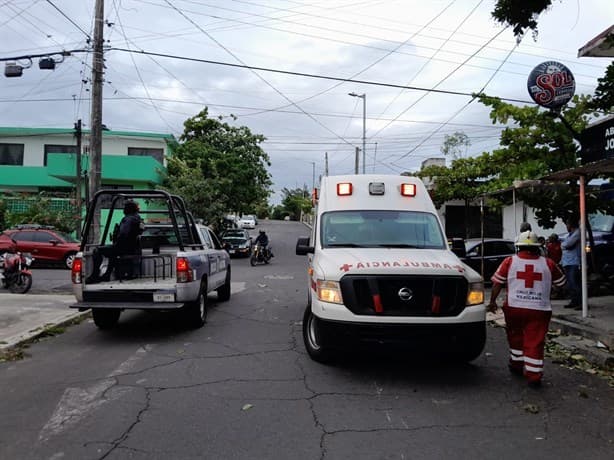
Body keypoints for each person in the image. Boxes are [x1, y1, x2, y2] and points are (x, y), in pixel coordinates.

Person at [487, 230, 566, 387]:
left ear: (518, 247)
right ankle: (534, 375)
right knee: (534, 340)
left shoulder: (509, 261)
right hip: (539, 309)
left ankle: (516, 364)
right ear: (538, 247)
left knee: (515, 335)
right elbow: (561, 284)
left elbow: (497, 283)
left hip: (514, 307)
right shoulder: (548, 263)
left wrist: (492, 302)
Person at [86, 200, 144, 283]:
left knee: (97, 250)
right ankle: (107, 275)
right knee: (112, 254)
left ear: (129, 209)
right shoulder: (139, 219)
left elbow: (124, 234)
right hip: (134, 249)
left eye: (125, 208)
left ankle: (95, 276)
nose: (123, 209)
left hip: (124, 248)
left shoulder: (128, 219)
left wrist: (116, 240)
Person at [561, 218, 581, 309]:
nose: (566, 227)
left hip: (574, 262)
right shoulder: (569, 235)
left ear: (571, 225)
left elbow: (567, 244)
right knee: (570, 284)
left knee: (574, 283)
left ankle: (580, 302)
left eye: (567, 225)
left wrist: (563, 245)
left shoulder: (577, 233)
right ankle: (574, 301)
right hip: (568, 262)